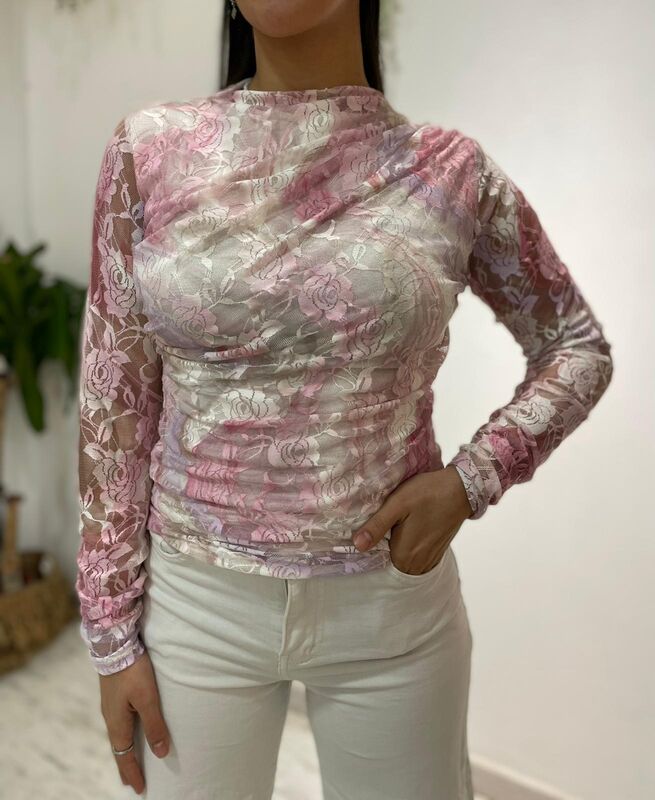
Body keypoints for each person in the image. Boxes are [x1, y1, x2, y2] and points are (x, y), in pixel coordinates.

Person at [74, 1, 614, 798]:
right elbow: (114, 401)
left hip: (389, 610)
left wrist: (472, 479)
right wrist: (111, 632)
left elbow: (575, 344)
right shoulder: (149, 151)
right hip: (195, 604)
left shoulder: (445, 169)